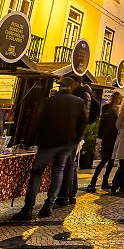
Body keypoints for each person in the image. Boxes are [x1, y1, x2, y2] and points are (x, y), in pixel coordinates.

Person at [13, 77, 87, 220]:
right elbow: (82, 124)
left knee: (36, 172)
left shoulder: (50, 101)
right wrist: (75, 141)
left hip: (48, 142)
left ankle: (28, 208)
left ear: (60, 87)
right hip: (67, 143)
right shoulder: (79, 102)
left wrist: (29, 141)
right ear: (71, 87)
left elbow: (39, 122)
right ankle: (49, 205)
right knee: (58, 170)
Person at [57, 83, 99, 206]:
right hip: (77, 135)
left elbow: (81, 116)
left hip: (72, 135)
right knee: (72, 164)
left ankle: (65, 195)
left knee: (68, 165)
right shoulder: (89, 98)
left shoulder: (81, 97)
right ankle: (71, 193)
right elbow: (91, 116)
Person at [86, 91, 122, 192]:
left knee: (111, 161)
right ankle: (93, 182)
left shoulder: (120, 110)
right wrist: (100, 136)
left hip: (116, 137)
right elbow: (102, 123)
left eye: (119, 98)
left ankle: (105, 181)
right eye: (116, 97)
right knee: (104, 160)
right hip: (108, 137)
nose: (118, 100)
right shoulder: (107, 108)